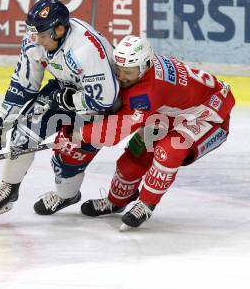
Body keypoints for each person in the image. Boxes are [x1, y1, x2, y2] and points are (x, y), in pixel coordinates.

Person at [74, 35, 235, 229]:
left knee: (168, 151)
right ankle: (116, 201)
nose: (121, 77)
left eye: (128, 72)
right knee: (133, 160)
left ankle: (146, 203)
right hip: (172, 111)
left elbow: (117, 130)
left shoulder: (147, 93)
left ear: (144, 67)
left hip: (210, 116)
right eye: (118, 70)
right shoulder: (143, 67)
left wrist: (81, 134)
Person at [0, 0, 120, 218]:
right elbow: (23, 84)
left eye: (42, 36)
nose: (37, 40)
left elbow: (106, 99)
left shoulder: (86, 49)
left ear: (60, 29)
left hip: (99, 106)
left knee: (66, 159)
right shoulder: (36, 40)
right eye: (35, 34)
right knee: (23, 133)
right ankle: (9, 188)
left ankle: (67, 196)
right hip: (64, 90)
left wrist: (68, 101)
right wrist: (3, 117)